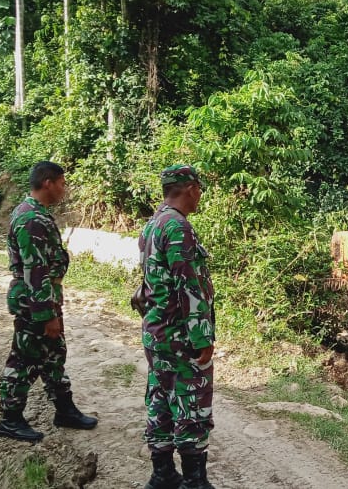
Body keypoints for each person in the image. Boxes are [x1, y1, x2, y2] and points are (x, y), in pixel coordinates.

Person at [0, 161, 98, 442]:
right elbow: (36, 270)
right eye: (62, 183)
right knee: (24, 359)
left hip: (44, 298)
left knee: (54, 356)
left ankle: (64, 410)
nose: (64, 189)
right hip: (35, 301)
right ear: (48, 183)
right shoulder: (31, 219)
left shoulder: (35, 213)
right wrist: (47, 315)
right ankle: (10, 419)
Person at [138, 164, 216, 489]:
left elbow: (150, 281)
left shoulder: (152, 225)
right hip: (180, 336)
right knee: (191, 405)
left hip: (156, 333)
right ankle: (195, 482)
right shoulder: (178, 227)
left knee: (160, 399)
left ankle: (163, 475)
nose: (200, 195)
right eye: (199, 189)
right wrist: (203, 337)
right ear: (190, 189)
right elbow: (189, 286)